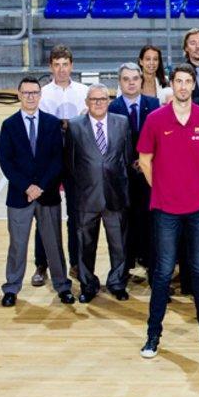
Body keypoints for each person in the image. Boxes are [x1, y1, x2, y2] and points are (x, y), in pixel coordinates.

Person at [137, 64, 199, 359]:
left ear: (193, 86)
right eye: (179, 81)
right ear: (172, 84)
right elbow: (145, 159)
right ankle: (153, 335)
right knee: (163, 271)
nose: (184, 86)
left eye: (189, 81)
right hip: (165, 208)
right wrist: (160, 187)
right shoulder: (155, 119)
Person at [0, 77, 73, 306]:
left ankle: (62, 286)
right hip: (19, 196)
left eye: (34, 93)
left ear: (40, 96)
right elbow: (6, 162)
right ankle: (11, 288)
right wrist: (27, 186)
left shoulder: (52, 123)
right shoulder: (9, 125)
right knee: (17, 245)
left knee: (53, 243)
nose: (31, 97)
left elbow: (58, 160)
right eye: (26, 93)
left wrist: (40, 186)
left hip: (47, 194)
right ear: (19, 95)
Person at [65, 83, 133, 304]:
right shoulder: (74, 126)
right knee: (85, 245)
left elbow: (126, 157)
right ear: (86, 103)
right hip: (86, 197)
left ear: (109, 101)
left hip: (115, 196)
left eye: (102, 99)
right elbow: (70, 164)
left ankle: (117, 283)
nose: (98, 103)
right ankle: (88, 285)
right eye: (94, 100)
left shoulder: (122, 123)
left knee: (119, 245)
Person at [38, 45, 88, 280]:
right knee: (45, 214)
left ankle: (76, 263)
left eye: (65, 64)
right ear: (50, 67)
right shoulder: (42, 93)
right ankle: (42, 264)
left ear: (72, 66)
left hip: (77, 160)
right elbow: (44, 126)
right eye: (56, 65)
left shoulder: (83, 91)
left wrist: (65, 124)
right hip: (49, 160)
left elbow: (84, 124)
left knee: (75, 215)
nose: (61, 69)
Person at [108, 63, 160, 278]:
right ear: (120, 83)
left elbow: (159, 138)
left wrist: (146, 160)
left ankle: (149, 262)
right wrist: (130, 161)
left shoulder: (154, 104)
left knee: (149, 219)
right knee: (123, 221)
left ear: (142, 81)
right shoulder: (112, 108)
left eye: (135, 78)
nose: (131, 82)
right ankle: (124, 265)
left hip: (149, 173)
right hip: (122, 174)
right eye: (126, 79)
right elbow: (110, 143)